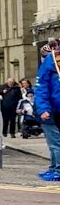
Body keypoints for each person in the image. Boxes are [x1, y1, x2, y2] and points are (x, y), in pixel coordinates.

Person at [35, 41, 59, 181]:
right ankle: (55, 168)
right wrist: (43, 108)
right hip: (53, 109)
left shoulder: (51, 60)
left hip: (52, 107)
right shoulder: (52, 61)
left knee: (55, 143)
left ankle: (56, 169)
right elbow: (42, 86)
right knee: (55, 142)